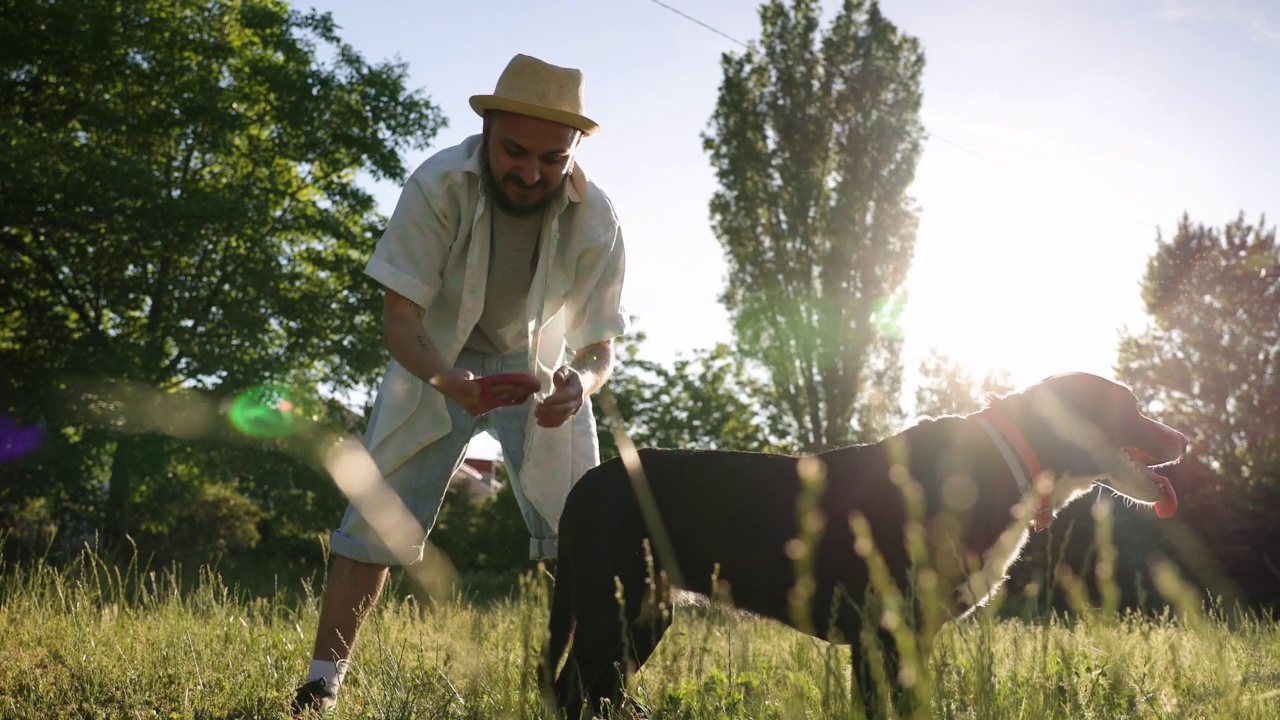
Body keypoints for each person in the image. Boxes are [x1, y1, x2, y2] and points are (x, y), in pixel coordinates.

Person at [291, 53, 628, 716]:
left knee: (587, 528)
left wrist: (578, 387)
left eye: (552, 158)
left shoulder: (599, 221)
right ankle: (320, 683)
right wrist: (451, 379)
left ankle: (594, 689)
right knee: (373, 520)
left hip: (539, 368)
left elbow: (598, 350)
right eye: (514, 150)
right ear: (487, 128)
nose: (531, 172)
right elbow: (398, 317)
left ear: (575, 149)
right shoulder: (437, 184)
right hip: (432, 357)